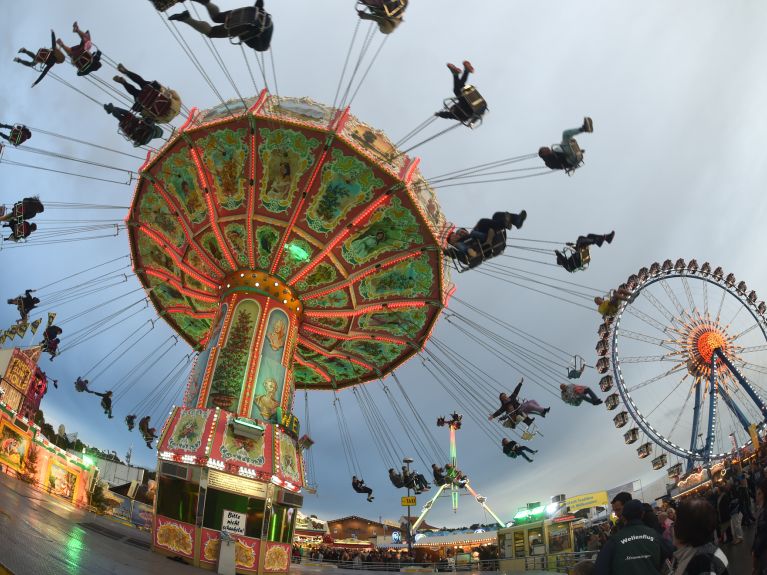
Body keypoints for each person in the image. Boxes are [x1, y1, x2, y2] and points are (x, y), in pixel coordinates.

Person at [594, 499, 670, 575]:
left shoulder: (615, 540)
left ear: (623, 516)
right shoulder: (654, 534)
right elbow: (672, 551)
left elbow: (600, 568)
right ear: (642, 514)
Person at [169, 0, 273, 52]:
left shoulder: (269, 26)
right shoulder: (262, 46)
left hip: (251, 12)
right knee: (212, 32)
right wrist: (241, 37)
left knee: (217, 17)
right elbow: (247, 36)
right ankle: (186, 18)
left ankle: (206, 2)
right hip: (248, 25)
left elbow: (259, 5)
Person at [444, 210, 527, 267]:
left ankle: (516, 220)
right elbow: (455, 253)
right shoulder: (458, 246)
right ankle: (502, 225)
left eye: (462, 231)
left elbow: (476, 231)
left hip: (488, 237)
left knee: (496, 216)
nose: (460, 233)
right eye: (453, 236)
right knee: (481, 225)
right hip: (477, 248)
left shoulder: (471, 235)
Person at [672, 498, 729, 575]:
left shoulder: (700, 562)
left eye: (675, 521)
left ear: (684, 528)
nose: (672, 526)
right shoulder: (707, 550)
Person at [112, 64, 182, 123]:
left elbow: (173, 92)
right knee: (134, 92)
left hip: (155, 93)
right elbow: (152, 118)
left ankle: (126, 72)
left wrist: (161, 87)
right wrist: (142, 111)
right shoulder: (166, 120)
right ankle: (124, 83)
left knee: (141, 81)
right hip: (147, 102)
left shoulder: (178, 104)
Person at [753, 479, 767, 574]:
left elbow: (761, 537)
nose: (756, 498)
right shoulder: (761, 511)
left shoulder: (764, 514)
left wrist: (755, 552)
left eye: (760, 494)